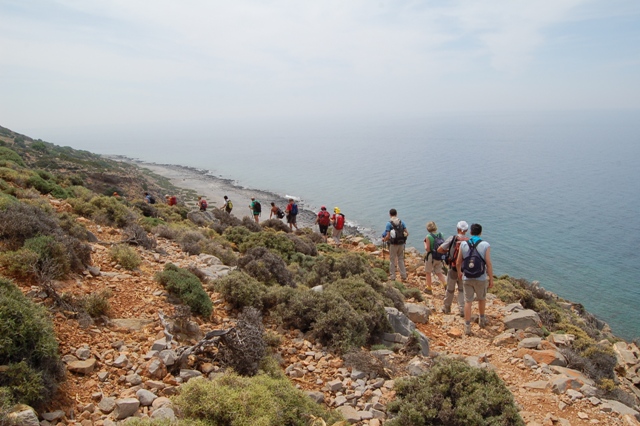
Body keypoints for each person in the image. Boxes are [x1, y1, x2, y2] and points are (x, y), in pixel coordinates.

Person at [456, 223, 493, 335]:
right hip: (481, 277)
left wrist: (459, 272)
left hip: (467, 276)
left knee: (468, 301)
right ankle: (482, 320)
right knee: (482, 299)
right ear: (480, 232)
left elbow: (458, 262)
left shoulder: (463, 244)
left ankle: (467, 326)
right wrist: (491, 278)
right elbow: (488, 263)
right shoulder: (485, 245)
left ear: (470, 232)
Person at [438, 221, 469, 317]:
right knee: (461, 290)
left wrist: (449, 252)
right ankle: (462, 310)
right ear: (467, 230)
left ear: (457, 229)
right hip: (464, 270)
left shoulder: (453, 239)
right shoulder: (469, 241)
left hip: (453, 267)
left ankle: (447, 307)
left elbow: (439, 249)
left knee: (450, 289)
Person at [381, 209, 408, 282]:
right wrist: (404, 239)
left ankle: (392, 277)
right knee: (401, 259)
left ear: (389, 214)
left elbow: (388, 235)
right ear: (396, 214)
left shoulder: (389, 223)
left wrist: (384, 239)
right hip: (401, 244)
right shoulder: (402, 222)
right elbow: (407, 233)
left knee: (392, 260)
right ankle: (404, 276)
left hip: (393, 244)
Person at [423, 221, 447, 295]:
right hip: (439, 256)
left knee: (428, 272)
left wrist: (424, 243)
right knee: (439, 272)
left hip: (431, 257)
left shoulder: (428, 236)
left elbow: (428, 249)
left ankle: (429, 288)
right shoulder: (441, 234)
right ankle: (445, 284)